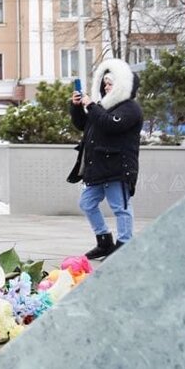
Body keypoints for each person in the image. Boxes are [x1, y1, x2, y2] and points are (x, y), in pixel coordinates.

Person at [67, 57, 142, 260]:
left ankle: (125, 243)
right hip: (98, 167)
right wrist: (76, 107)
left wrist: (91, 106)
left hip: (117, 167)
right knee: (87, 203)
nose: (107, 87)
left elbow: (111, 124)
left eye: (111, 84)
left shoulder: (130, 108)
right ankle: (104, 240)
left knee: (121, 207)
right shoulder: (102, 106)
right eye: (106, 83)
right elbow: (85, 125)